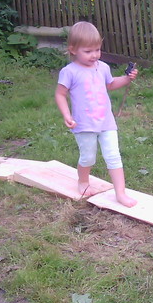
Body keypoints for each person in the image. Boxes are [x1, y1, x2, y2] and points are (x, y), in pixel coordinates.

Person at [54, 21, 138, 208]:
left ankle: (120, 193)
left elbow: (110, 84)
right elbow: (60, 94)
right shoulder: (69, 72)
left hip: (106, 122)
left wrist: (126, 79)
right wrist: (67, 115)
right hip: (83, 124)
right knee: (88, 157)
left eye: (97, 50)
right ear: (73, 49)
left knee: (113, 155)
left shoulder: (103, 67)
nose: (94, 55)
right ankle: (83, 181)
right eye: (88, 51)